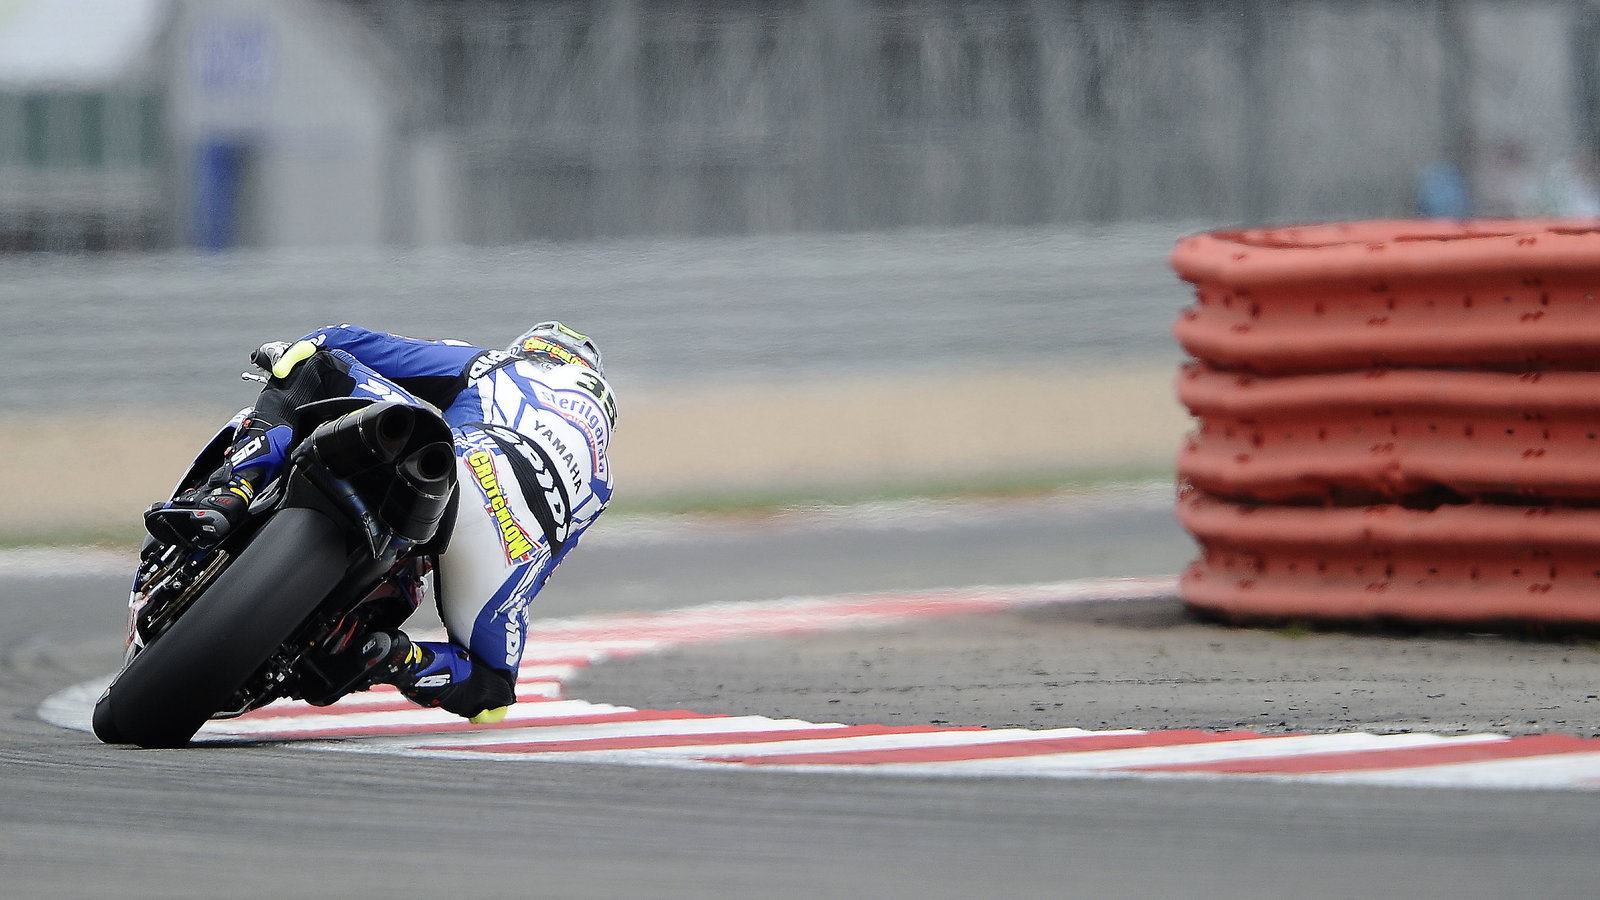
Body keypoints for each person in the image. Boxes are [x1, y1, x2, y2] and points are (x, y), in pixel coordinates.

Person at [143, 322, 617, 724]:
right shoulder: (601, 483)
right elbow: (545, 564)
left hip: (465, 466)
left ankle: (232, 492)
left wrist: (298, 348)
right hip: (510, 547)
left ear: (536, 350)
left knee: (317, 364)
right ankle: (394, 656)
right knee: (491, 692)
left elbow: (362, 344)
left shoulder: (504, 365)